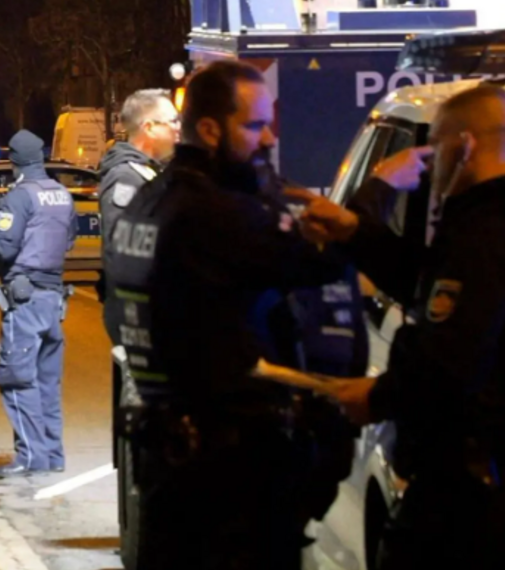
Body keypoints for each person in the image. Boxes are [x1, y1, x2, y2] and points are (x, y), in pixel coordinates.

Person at [295, 85, 505, 570]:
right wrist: (356, 232)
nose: (431, 170)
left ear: (465, 146)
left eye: (437, 149)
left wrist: (376, 398)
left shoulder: (486, 236)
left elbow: (450, 362)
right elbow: (437, 291)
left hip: (467, 504)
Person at [103, 61, 348, 569]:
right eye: (256, 125)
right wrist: (370, 203)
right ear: (211, 130)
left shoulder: (150, 199)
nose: (268, 138)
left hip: (173, 464)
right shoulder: (211, 213)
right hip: (228, 479)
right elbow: (312, 263)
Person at [0, 130, 76, 479]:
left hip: (25, 299)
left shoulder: (20, 196)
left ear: (15, 161)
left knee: (16, 377)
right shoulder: (61, 194)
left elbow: (5, 248)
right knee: (47, 382)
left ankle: (30, 457)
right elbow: (67, 242)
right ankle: (52, 454)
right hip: (54, 298)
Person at [97, 89, 179, 303]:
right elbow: (121, 251)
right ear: (149, 128)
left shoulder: (148, 171)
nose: (178, 129)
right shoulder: (126, 177)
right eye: (173, 121)